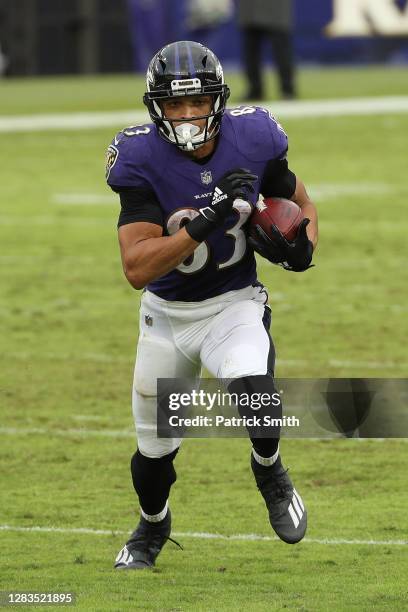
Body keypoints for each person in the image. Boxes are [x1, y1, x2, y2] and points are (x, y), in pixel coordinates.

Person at [106, 40, 318, 570]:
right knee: (154, 456)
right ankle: (152, 527)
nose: (186, 116)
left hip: (234, 304)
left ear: (217, 101)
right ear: (156, 107)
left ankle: (268, 467)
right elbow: (137, 268)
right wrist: (208, 219)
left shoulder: (254, 138)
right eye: (174, 105)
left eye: (196, 102)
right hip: (167, 319)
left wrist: (303, 243)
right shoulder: (139, 158)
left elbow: (301, 200)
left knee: (253, 385)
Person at [237, 0, 296, 100]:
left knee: (282, 53)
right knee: (251, 54)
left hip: (277, 11)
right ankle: (255, 90)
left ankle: (287, 90)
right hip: (250, 11)